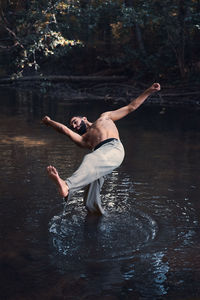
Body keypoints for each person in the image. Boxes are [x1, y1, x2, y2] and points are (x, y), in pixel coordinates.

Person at [42, 83, 161, 214]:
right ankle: (95, 214)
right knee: (90, 194)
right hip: (100, 159)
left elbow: (130, 107)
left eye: (75, 121)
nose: (74, 126)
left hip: (113, 149)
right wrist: (50, 122)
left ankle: (67, 186)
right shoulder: (84, 139)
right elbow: (64, 130)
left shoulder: (105, 117)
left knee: (90, 158)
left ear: (84, 118)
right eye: (73, 126)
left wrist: (149, 90)